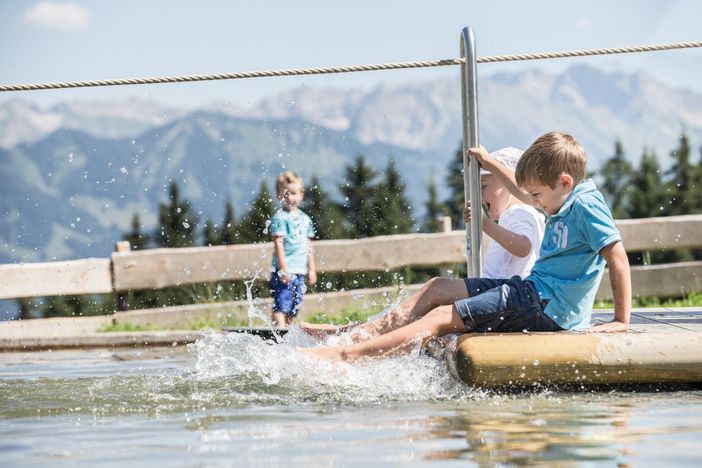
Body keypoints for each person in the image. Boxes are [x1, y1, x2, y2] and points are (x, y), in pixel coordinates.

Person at [301, 132, 631, 361]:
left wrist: (621, 319)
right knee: (438, 287)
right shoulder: (561, 200)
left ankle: (348, 356)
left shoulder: (586, 206)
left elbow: (617, 257)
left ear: (564, 182)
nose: (533, 203)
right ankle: (357, 336)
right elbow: (522, 190)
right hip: (532, 293)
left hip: (547, 308)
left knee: (442, 316)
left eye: (538, 197)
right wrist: (488, 161)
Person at [300, 147, 545, 341]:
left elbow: (524, 247)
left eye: (484, 187)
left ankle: (358, 335)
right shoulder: (514, 215)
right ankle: (358, 331)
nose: (480, 196)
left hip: (506, 299)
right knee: (428, 298)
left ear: (508, 185)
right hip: (499, 295)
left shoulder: (520, 212)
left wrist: (485, 225)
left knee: (433, 293)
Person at [269, 171, 317, 327]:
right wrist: (283, 269)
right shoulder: (280, 218)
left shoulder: (306, 219)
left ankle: (286, 334)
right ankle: (278, 334)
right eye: (286, 194)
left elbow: (309, 246)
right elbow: (278, 243)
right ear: (278, 195)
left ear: (301, 194)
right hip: (285, 269)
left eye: (294, 193)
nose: (290, 198)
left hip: (299, 270)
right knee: (281, 304)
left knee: (293, 308)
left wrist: (312, 269)